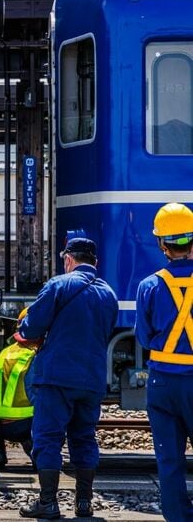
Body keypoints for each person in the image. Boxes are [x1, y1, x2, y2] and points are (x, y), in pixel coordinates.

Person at [15, 237, 119, 520]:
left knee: (47, 438)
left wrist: (24, 328)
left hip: (56, 378)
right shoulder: (108, 293)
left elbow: (32, 326)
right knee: (84, 437)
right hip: (92, 380)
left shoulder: (58, 285)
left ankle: (48, 502)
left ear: (69, 260)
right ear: (95, 263)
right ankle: (84, 504)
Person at [135, 202, 193, 522]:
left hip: (162, 383)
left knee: (169, 461)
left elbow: (144, 338)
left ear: (162, 244)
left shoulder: (149, 286)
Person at [0, 308, 36, 470]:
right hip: (21, 425)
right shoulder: (35, 355)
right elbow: (38, 396)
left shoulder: (5, 352)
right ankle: (33, 449)